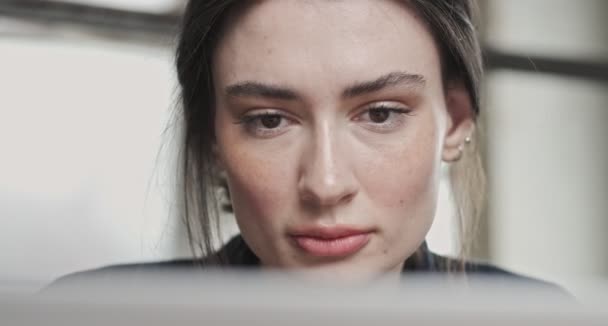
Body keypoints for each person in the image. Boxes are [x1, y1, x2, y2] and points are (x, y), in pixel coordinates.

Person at [50, 0, 555, 287]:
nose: (325, 183)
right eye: (269, 120)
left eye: (380, 113)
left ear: (455, 121)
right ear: (212, 139)